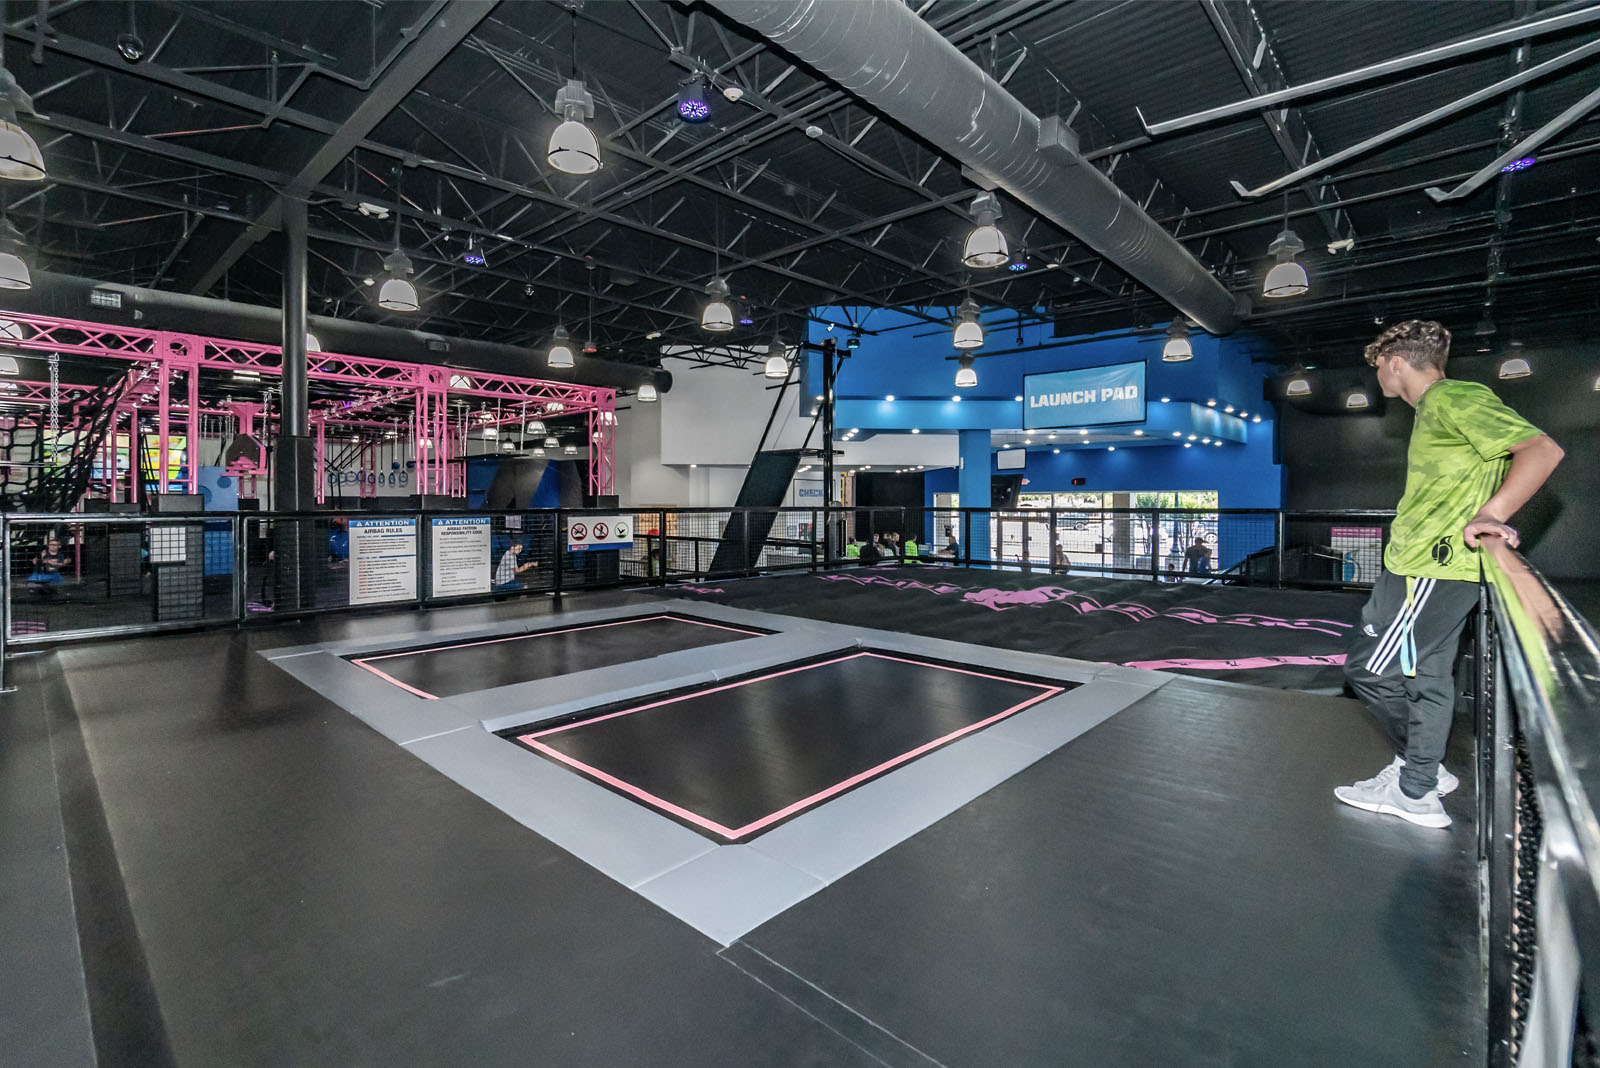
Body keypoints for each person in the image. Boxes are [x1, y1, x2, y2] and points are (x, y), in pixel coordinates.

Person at [1335, 320, 1563, 829]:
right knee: (1429, 678)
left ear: (1395, 363)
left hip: (1430, 567)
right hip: (1428, 565)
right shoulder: (1434, 409)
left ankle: (1416, 775)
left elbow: (1542, 449)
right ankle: (1419, 783)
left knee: (1370, 670)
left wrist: (1492, 513)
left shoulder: (1450, 398)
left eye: (1379, 367)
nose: (1378, 378)